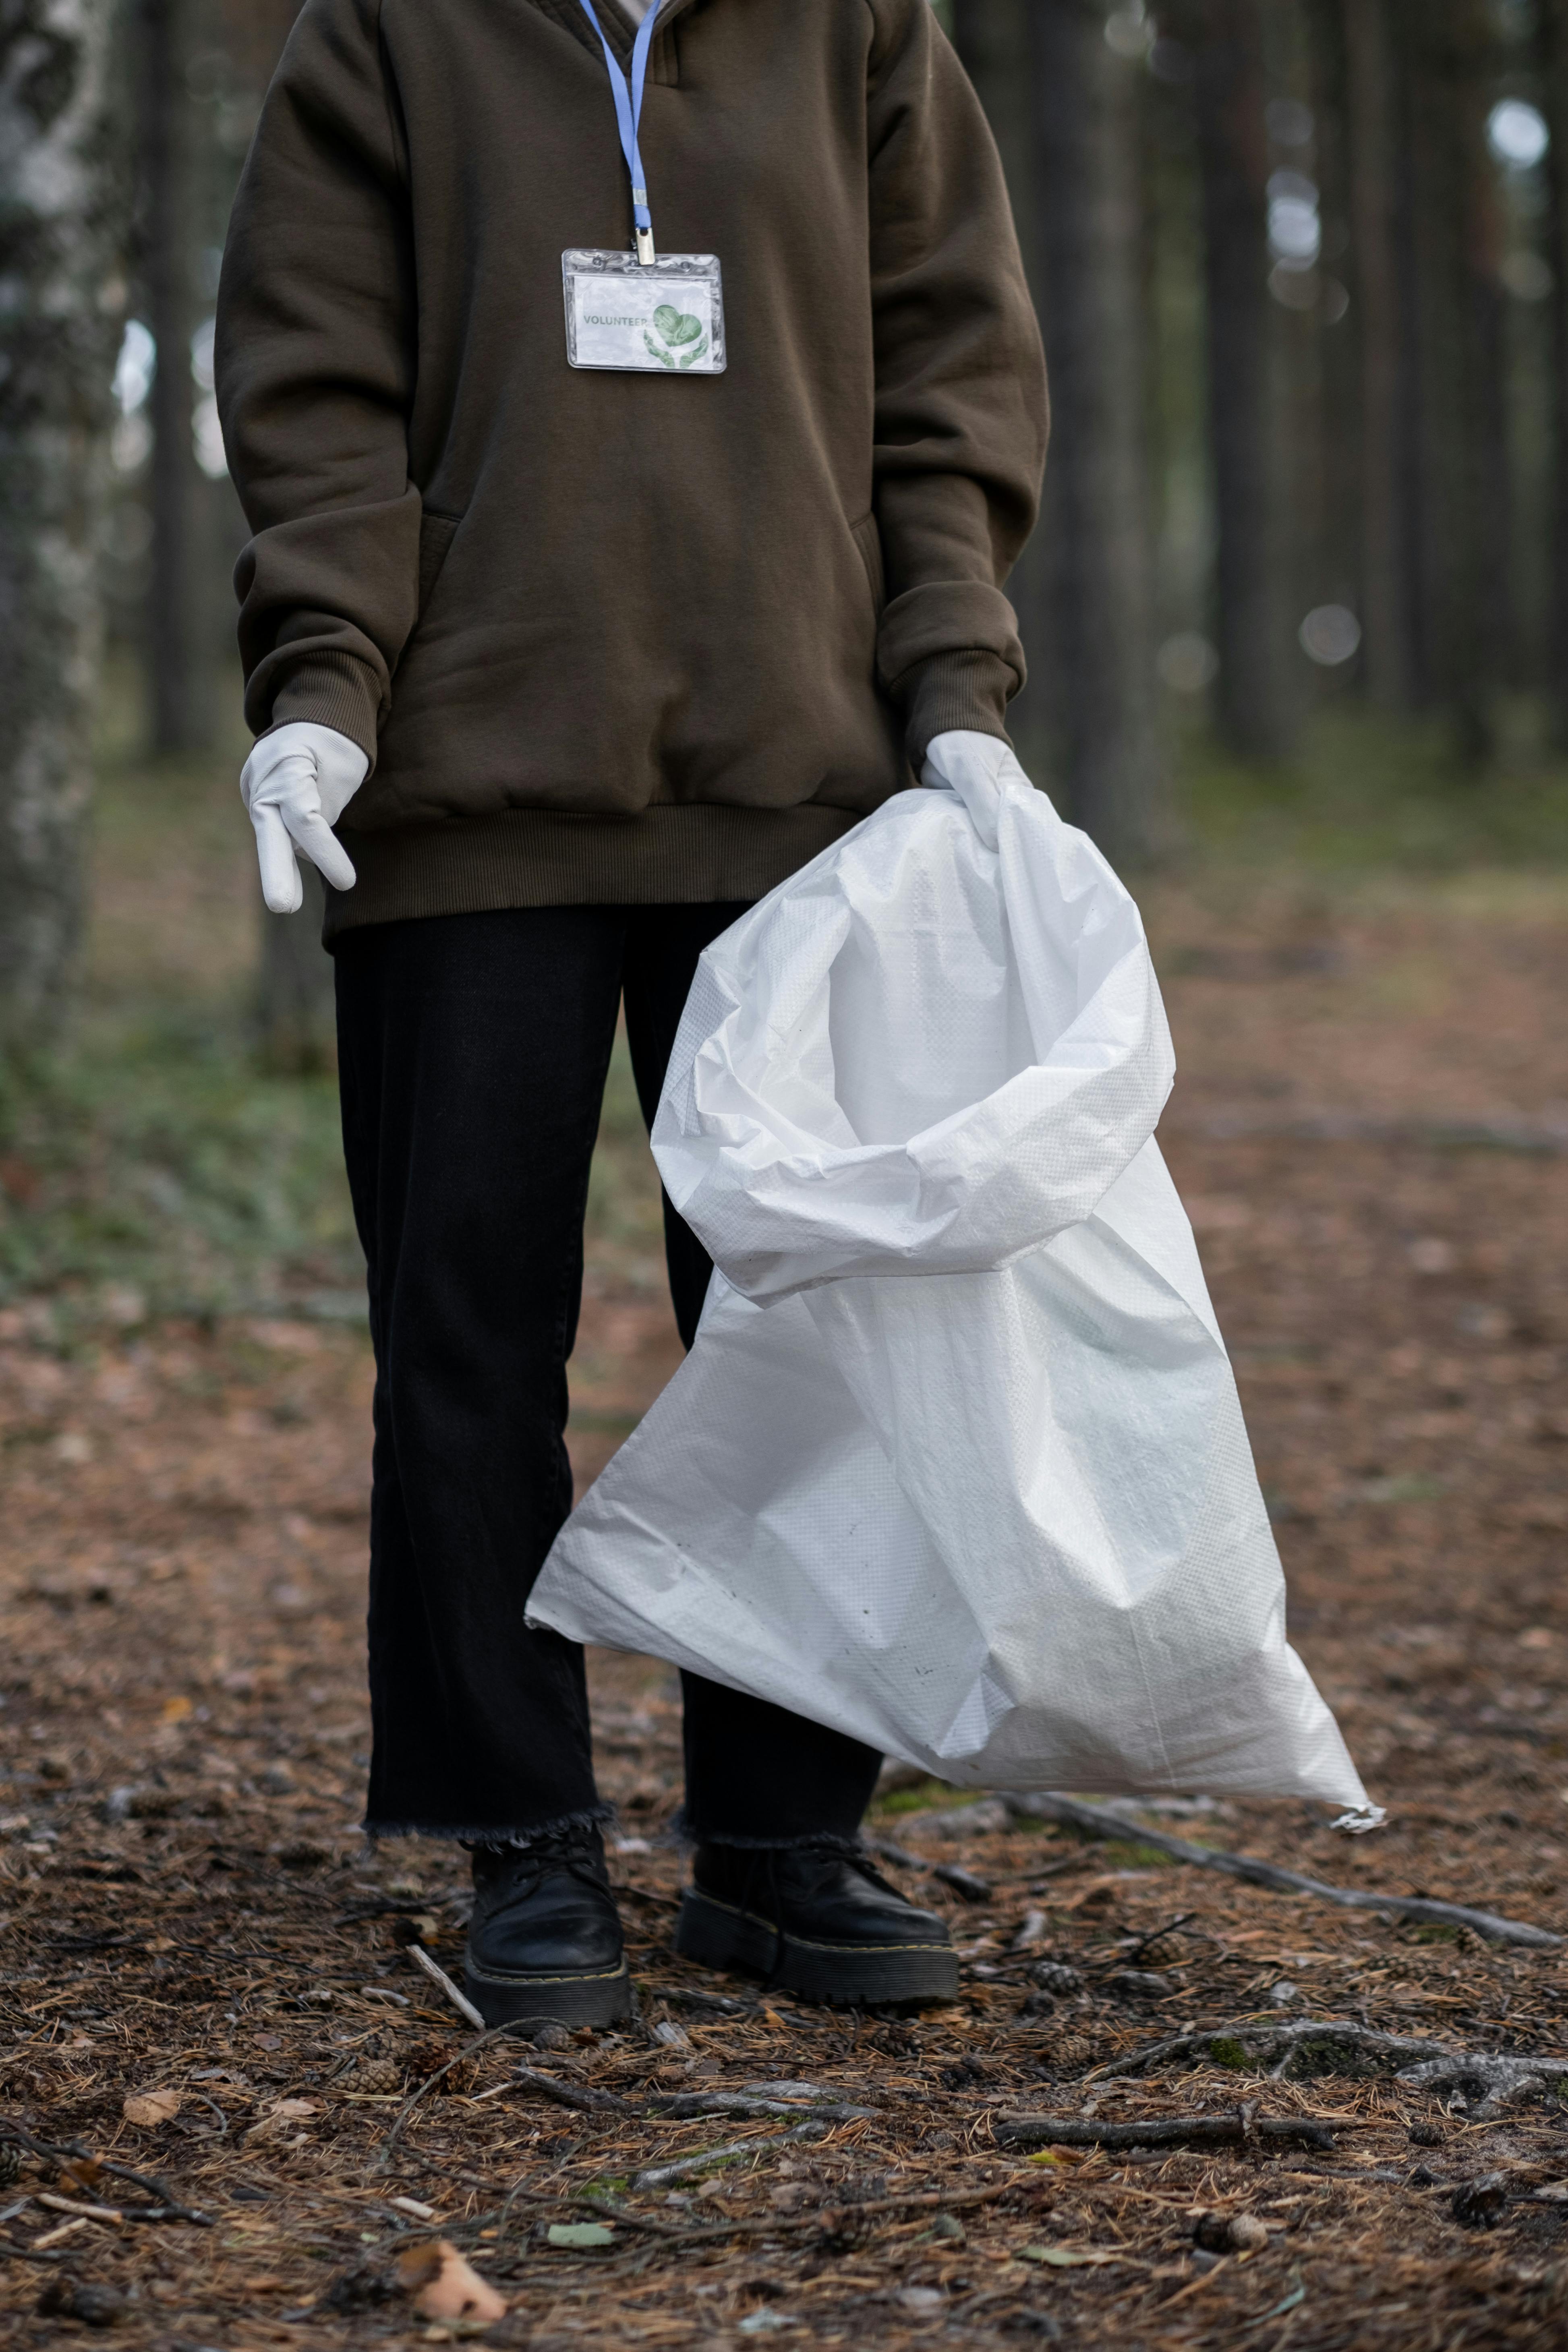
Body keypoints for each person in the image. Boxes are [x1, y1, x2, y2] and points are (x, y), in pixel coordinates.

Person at [215, 0, 1047, 2027]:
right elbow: (313, 389)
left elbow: (945, 372)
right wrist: (319, 695)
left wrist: (950, 691)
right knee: (466, 1334)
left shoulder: (858, 28)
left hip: (792, 797)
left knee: (794, 1325)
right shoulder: (390, 40)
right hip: (459, 799)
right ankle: (520, 1836)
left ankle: (775, 1844)